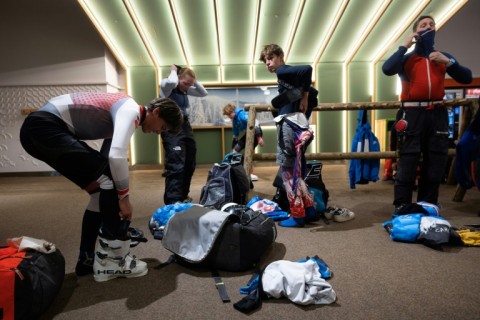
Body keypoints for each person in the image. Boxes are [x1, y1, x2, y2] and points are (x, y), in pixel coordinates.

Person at [19, 93, 183, 282]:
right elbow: (116, 157)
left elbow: (108, 159)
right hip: (43, 127)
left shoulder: (125, 114)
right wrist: (124, 199)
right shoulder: (130, 110)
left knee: (101, 189)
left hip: (39, 130)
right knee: (108, 181)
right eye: (162, 127)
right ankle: (113, 259)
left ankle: (86, 259)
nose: (159, 132)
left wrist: (116, 199)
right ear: (156, 111)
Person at [382, 15, 472, 211]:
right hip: (411, 115)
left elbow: (466, 77)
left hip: (437, 114)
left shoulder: (443, 57)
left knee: (435, 163)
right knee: (408, 161)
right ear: (416, 32)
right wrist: (404, 46)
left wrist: (449, 63)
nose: (429, 27)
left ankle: (428, 205)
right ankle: (403, 206)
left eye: (432, 25)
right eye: (423, 25)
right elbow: (387, 69)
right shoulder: (407, 59)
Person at [259, 44, 317, 227]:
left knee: (288, 172)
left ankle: (298, 215)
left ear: (280, 56)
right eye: (266, 61)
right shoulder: (290, 76)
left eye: (270, 58)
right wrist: (304, 95)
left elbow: (308, 69)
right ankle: (309, 209)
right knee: (297, 170)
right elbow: (313, 91)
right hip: (298, 122)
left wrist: (305, 96)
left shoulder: (283, 71)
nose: (268, 63)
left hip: (290, 124)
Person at [160, 64, 208, 204]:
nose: (187, 87)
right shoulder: (167, 87)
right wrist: (174, 71)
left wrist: (193, 81)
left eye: (190, 84)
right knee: (176, 164)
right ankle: (172, 201)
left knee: (189, 163)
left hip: (185, 126)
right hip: (172, 127)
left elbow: (203, 92)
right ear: (178, 78)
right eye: (185, 83)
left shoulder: (185, 89)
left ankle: (183, 196)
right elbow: (171, 81)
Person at [223, 103, 264, 181]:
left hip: (255, 133)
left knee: (247, 154)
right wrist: (232, 149)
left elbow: (256, 121)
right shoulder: (234, 120)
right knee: (235, 151)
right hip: (247, 134)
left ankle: (250, 173)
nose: (229, 117)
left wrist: (259, 138)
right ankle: (237, 172)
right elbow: (235, 135)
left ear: (233, 111)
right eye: (227, 115)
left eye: (229, 114)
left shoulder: (241, 115)